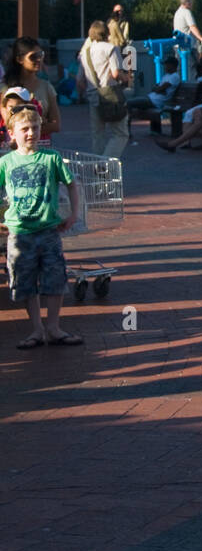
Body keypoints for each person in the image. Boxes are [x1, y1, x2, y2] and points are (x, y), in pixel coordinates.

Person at [0, 103, 81, 350]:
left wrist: (73, 213)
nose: (31, 133)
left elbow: (71, 184)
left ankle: (54, 327)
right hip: (20, 232)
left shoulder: (51, 158)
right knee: (25, 282)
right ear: (12, 134)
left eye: (35, 127)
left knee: (55, 278)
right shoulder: (6, 162)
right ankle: (36, 328)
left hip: (48, 231)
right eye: (25, 128)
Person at [77, 20, 130, 158]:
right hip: (110, 94)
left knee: (98, 134)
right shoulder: (110, 48)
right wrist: (126, 78)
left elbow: (79, 80)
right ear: (106, 33)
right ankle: (105, 163)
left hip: (93, 95)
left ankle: (97, 165)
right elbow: (115, 73)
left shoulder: (85, 53)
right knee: (120, 133)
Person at [3, 37, 61, 143]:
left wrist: (27, 129)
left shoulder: (46, 87)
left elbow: (56, 125)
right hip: (14, 150)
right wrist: (37, 125)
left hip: (42, 147)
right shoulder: (7, 89)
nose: (39, 59)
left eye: (40, 55)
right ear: (20, 59)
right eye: (33, 57)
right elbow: (8, 123)